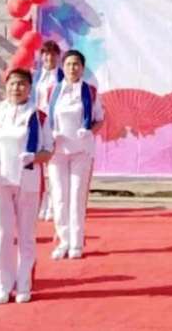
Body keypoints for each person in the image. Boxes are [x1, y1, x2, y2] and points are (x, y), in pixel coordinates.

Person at [0, 69, 53, 304]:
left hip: (27, 181)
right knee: (1, 235)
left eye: (22, 84)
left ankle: (24, 284)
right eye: (13, 84)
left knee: (26, 236)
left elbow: (48, 151)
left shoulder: (39, 117)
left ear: (29, 88)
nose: (17, 88)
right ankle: (2, 286)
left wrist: (34, 157)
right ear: (6, 86)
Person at [47, 49, 105, 260]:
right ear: (63, 67)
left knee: (77, 196)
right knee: (59, 197)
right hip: (57, 152)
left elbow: (99, 119)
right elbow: (43, 118)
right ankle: (63, 241)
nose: (72, 68)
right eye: (69, 64)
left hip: (81, 151)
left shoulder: (90, 92)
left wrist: (89, 132)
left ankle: (76, 243)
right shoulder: (53, 91)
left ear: (82, 68)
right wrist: (49, 135)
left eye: (76, 64)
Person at [33, 40, 64, 222]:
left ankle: (53, 206)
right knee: (39, 169)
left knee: (53, 168)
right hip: (37, 125)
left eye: (53, 54)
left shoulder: (62, 77)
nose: (49, 57)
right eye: (46, 54)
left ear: (58, 57)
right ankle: (41, 204)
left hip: (54, 126)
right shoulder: (35, 76)